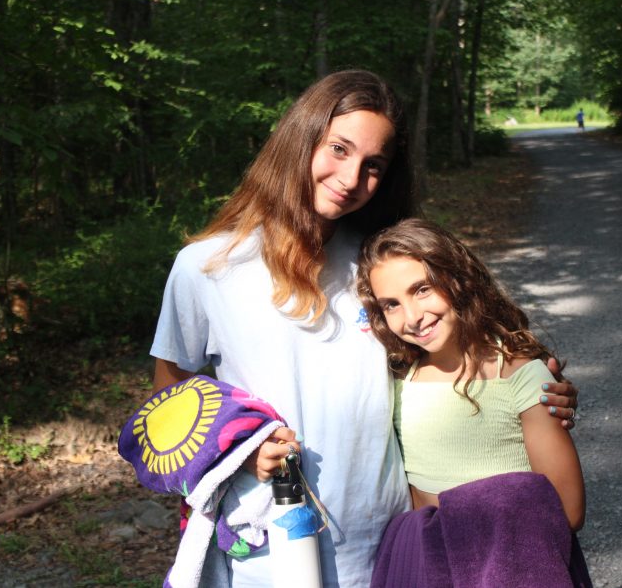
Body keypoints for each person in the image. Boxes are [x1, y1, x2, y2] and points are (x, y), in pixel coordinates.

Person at [149, 69, 579, 587]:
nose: (351, 178)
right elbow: (170, 399)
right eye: (338, 148)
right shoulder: (206, 269)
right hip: (269, 546)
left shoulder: (377, 265)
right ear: (300, 138)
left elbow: (448, 356)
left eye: (373, 165)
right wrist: (237, 452)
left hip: (392, 543)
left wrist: (534, 388)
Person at [356, 218, 587, 585]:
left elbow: (569, 509)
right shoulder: (398, 380)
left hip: (514, 563)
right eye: (391, 304)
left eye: (422, 289)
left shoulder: (518, 375)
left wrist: (462, 516)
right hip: (429, 566)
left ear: (457, 279)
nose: (412, 317)